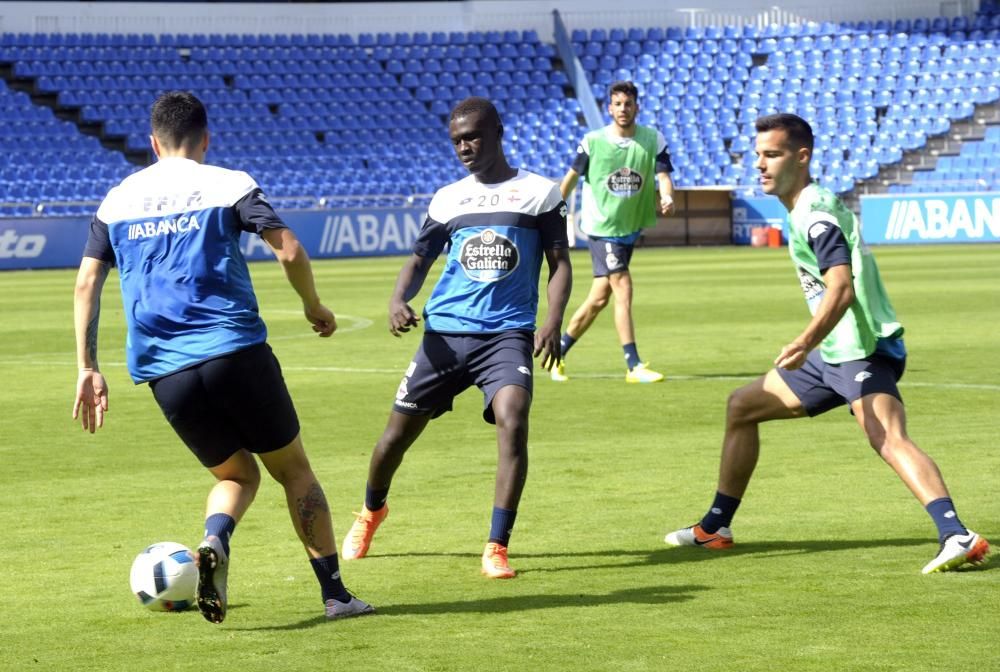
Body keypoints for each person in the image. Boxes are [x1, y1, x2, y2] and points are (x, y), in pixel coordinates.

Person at [71, 91, 374, 623]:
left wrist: (88, 367)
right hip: (234, 351)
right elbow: (289, 248)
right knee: (293, 471)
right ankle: (336, 596)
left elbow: (87, 283)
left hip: (166, 373)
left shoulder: (117, 199)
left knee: (236, 477)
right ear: (205, 139)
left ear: (152, 142)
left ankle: (215, 539)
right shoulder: (227, 183)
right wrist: (313, 306)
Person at [663, 113, 990, 574]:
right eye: (758, 154)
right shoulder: (803, 208)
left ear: (802, 157)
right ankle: (715, 527)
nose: (760, 164)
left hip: (858, 347)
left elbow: (840, 288)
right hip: (832, 352)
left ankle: (957, 533)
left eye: (772, 154)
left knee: (888, 438)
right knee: (742, 407)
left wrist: (802, 340)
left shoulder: (815, 212)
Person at [340, 97, 572, 579]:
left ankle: (496, 545)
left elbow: (560, 264)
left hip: (506, 335)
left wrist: (552, 321)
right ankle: (371, 512)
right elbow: (420, 259)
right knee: (393, 440)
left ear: (498, 133)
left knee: (514, 416)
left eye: (473, 137)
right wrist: (398, 299)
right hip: (444, 336)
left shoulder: (540, 193)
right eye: (457, 140)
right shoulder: (448, 198)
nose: (464, 147)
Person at [551, 80, 675, 384]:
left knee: (598, 299)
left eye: (628, 103)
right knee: (623, 286)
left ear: (637, 107)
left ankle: (558, 353)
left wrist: (668, 195)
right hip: (601, 227)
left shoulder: (652, 139)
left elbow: (664, 175)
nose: (623, 109)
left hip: (628, 229)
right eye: (617, 104)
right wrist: (552, 209)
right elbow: (570, 178)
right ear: (610, 108)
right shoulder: (593, 141)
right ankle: (633, 364)